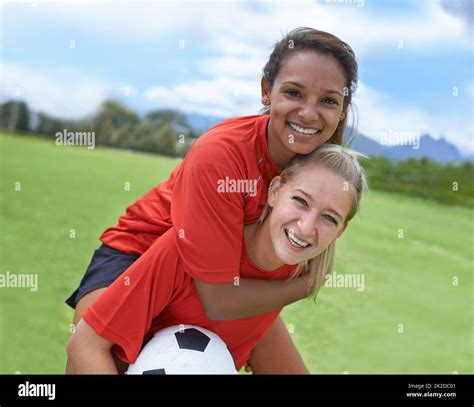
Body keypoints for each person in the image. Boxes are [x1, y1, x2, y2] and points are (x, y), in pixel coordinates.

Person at [65, 27, 359, 374]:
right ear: (267, 91)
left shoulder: (318, 176)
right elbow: (218, 299)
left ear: (342, 110)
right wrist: (303, 286)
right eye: (294, 92)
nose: (309, 113)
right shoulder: (221, 154)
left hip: (225, 278)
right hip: (142, 257)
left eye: (328, 100)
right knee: (94, 353)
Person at [67, 144, 368, 374]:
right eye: (300, 201)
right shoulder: (189, 246)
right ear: (274, 191)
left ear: (341, 231)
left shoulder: (297, 270)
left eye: (329, 218)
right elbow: (85, 345)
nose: (306, 227)